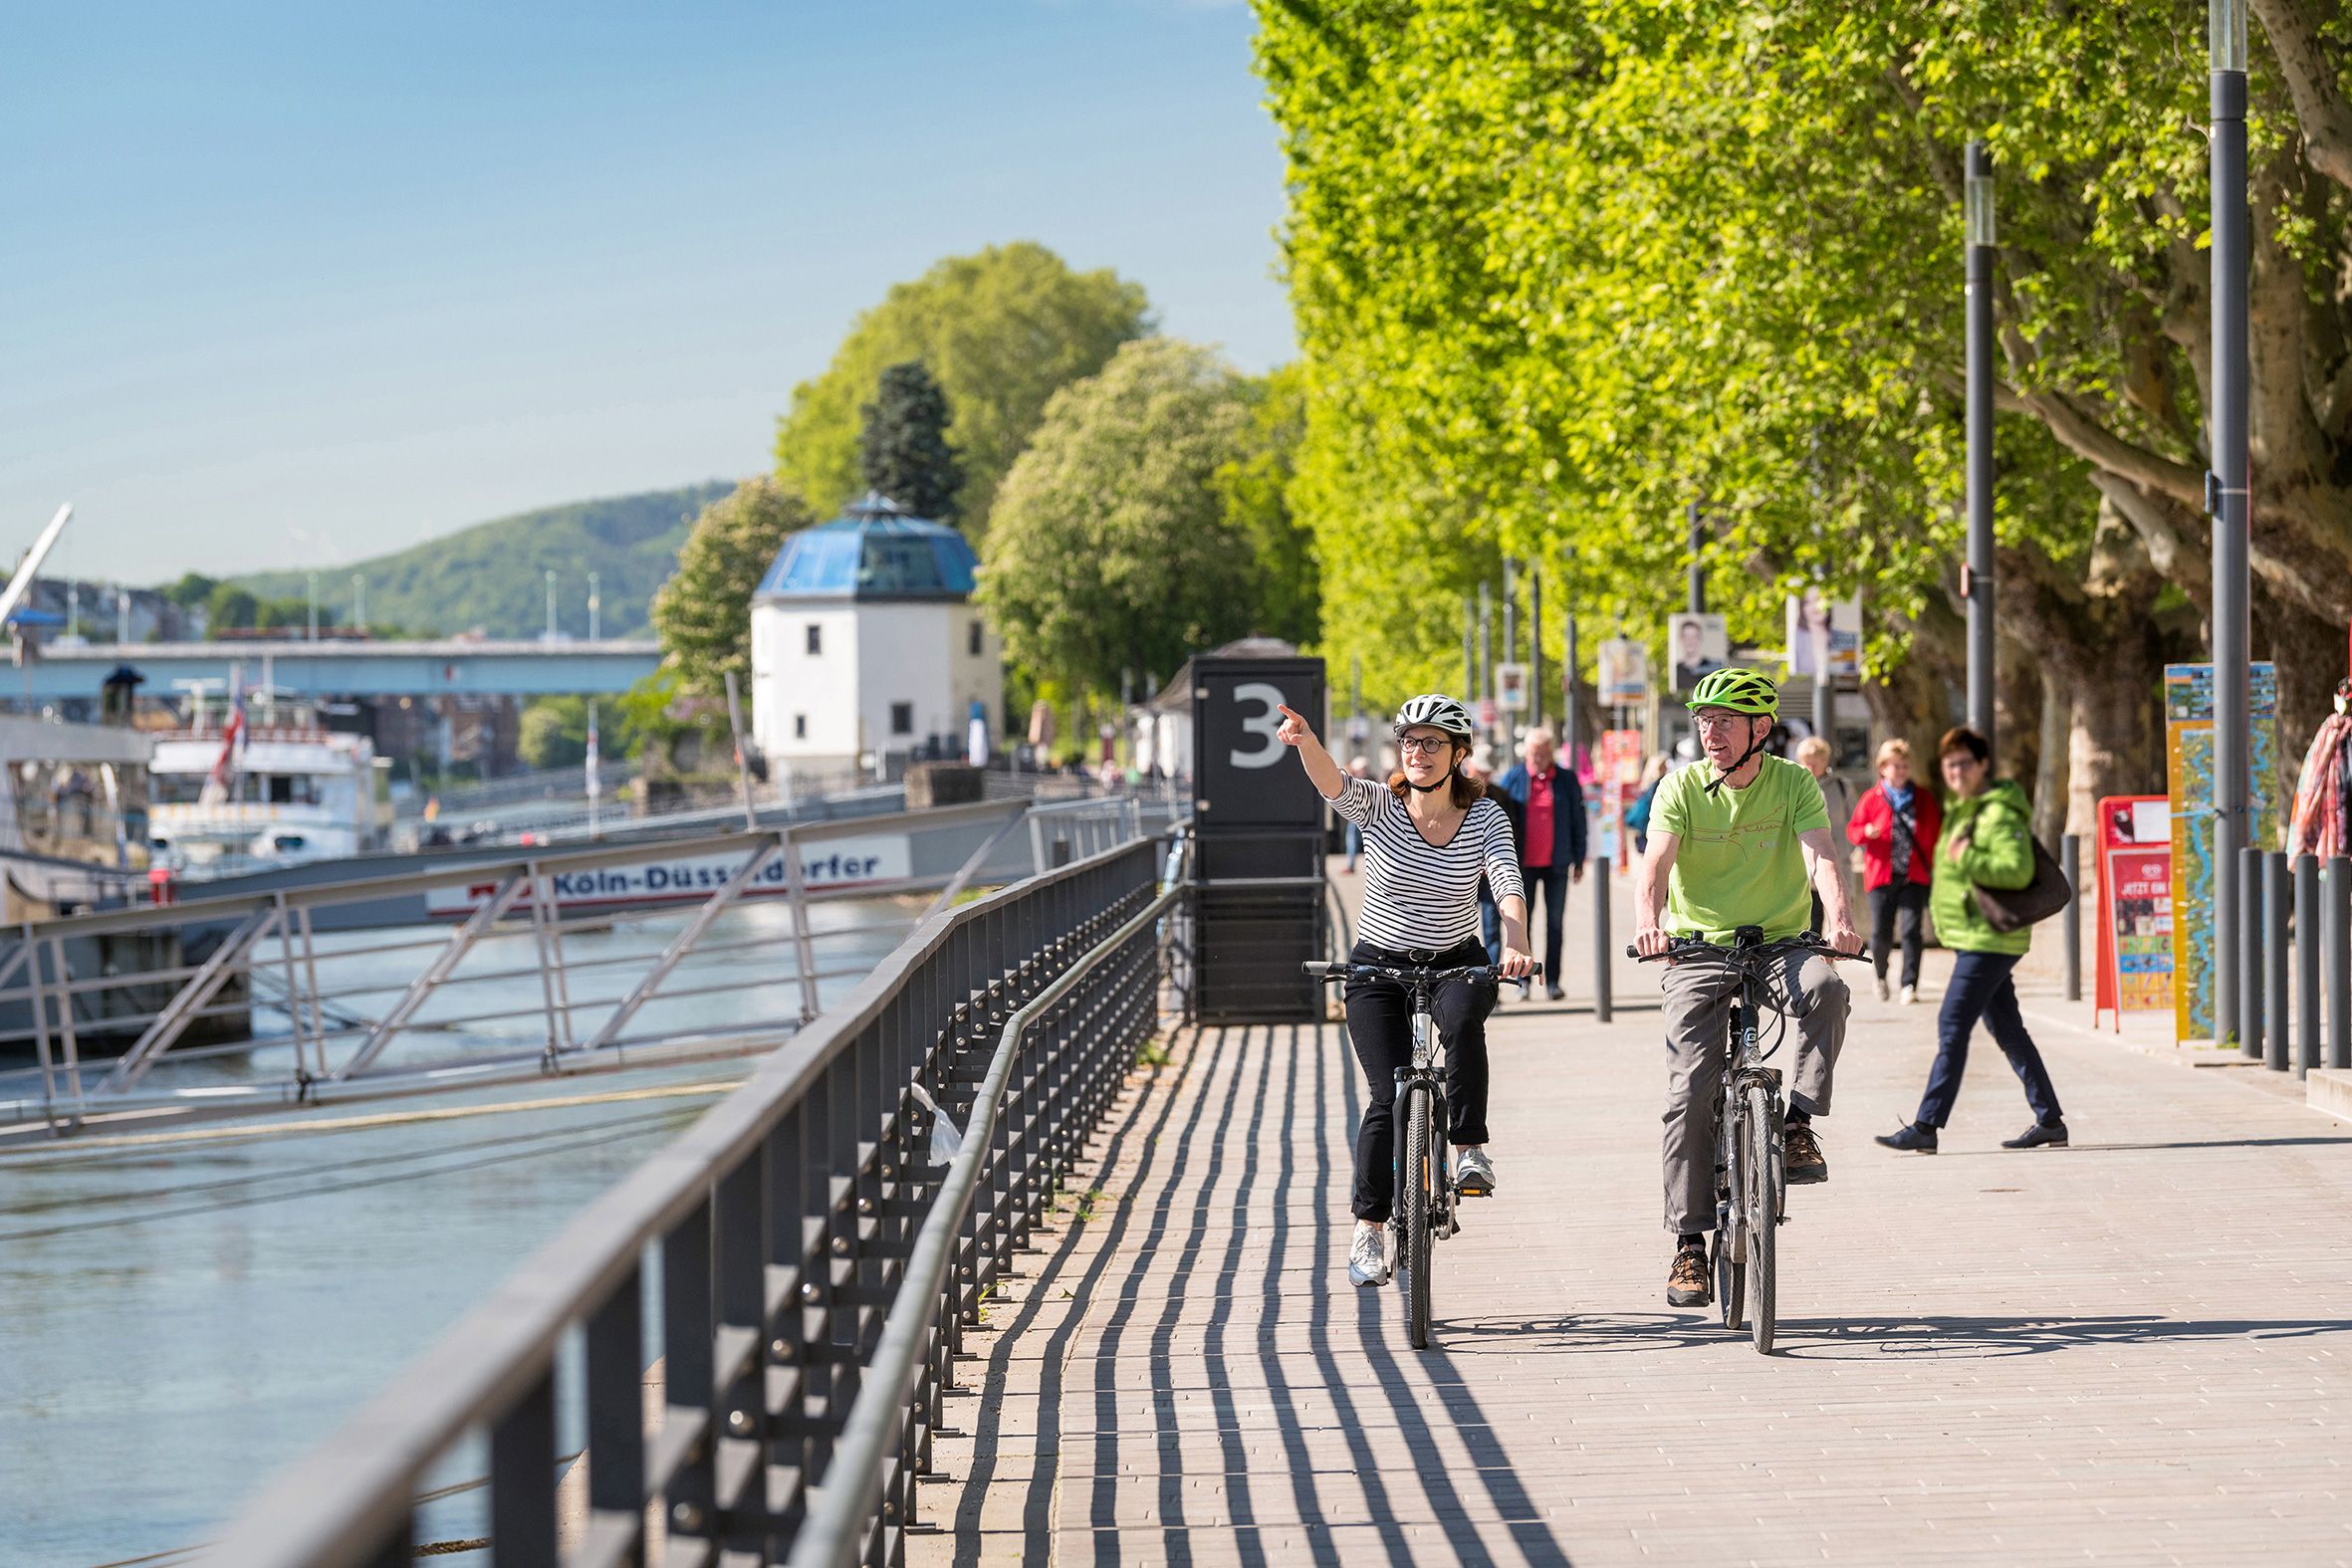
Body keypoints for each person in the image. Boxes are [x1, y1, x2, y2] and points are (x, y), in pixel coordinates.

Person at [1275, 694, 1534, 1287]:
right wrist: (1307, 741)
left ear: (1458, 754)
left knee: (1466, 1023)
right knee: (1386, 1098)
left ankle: (1468, 1147)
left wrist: (1515, 943)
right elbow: (1331, 783)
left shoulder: (1485, 816)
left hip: (1454, 961)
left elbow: (1506, 882)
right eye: (1410, 742)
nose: (1418, 752)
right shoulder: (1380, 805)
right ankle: (1368, 1229)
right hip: (1378, 972)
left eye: (1432, 742)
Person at [1633, 668, 1861, 1308]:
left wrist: (1840, 921)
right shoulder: (1678, 787)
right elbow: (1654, 865)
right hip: (1697, 951)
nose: (1712, 732)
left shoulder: (1794, 783)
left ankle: (1794, 1125)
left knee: (1828, 991)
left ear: (1762, 729)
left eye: (1726, 721)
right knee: (1688, 1094)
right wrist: (1649, 927)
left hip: (1780, 943)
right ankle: (1689, 1244)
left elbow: (1820, 856)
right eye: (1703, 721)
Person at [1875, 728, 2069, 1154]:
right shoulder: (1965, 809)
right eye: (1950, 765)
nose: (1956, 771)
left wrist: (1970, 858)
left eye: (1964, 762)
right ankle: (2050, 1120)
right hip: (1972, 936)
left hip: (1989, 938)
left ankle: (1926, 1126)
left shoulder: (1998, 813)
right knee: (2007, 1029)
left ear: (1982, 765)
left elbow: (2016, 871)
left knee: (1952, 1025)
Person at [1495, 727, 1586, 1001]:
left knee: (1555, 924)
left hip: (1557, 863)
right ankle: (1524, 980)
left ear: (1552, 753)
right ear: (1527, 752)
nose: (1539, 758)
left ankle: (1553, 981)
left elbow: (1578, 822)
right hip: (1522, 864)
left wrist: (1579, 859)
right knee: (1523, 923)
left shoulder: (1567, 780)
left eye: (1544, 753)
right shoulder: (1514, 778)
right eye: (1535, 753)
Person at [1847, 738, 1939, 1004]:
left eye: (1904, 766)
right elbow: (1853, 831)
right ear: (1882, 768)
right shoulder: (1872, 798)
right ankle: (1880, 975)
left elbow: (1935, 833)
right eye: (1894, 766)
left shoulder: (1922, 798)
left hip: (1913, 876)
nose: (1900, 771)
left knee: (1912, 931)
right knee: (1881, 933)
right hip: (1881, 875)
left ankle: (1909, 984)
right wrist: (1866, 832)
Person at [1794, 736, 1854, 937]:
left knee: (1836, 927)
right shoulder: (1796, 787)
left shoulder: (1841, 786)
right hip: (1805, 869)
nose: (1810, 765)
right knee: (1811, 928)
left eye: (1815, 759)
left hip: (1838, 862)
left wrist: (1850, 850)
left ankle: (1830, 965)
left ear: (1825, 760)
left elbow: (1854, 820)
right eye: (1805, 760)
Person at [1625, 754, 1671, 855]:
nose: (1667, 768)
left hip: (1645, 827)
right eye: (1663, 765)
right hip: (1652, 826)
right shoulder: (1660, 783)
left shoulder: (1647, 783)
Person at [1672, 616, 1723, 693]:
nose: (1690, 641)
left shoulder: (1714, 667)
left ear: (1700, 638)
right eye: (1686, 636)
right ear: (1681, 639)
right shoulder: (1677, 669)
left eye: (1693, 636)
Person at [1341, 756, 1373, 872]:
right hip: (1369, 815)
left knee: (1352, 839)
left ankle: (1350, 865)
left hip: (1358, 814)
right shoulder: (1372, 779)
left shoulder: (1360, 781)